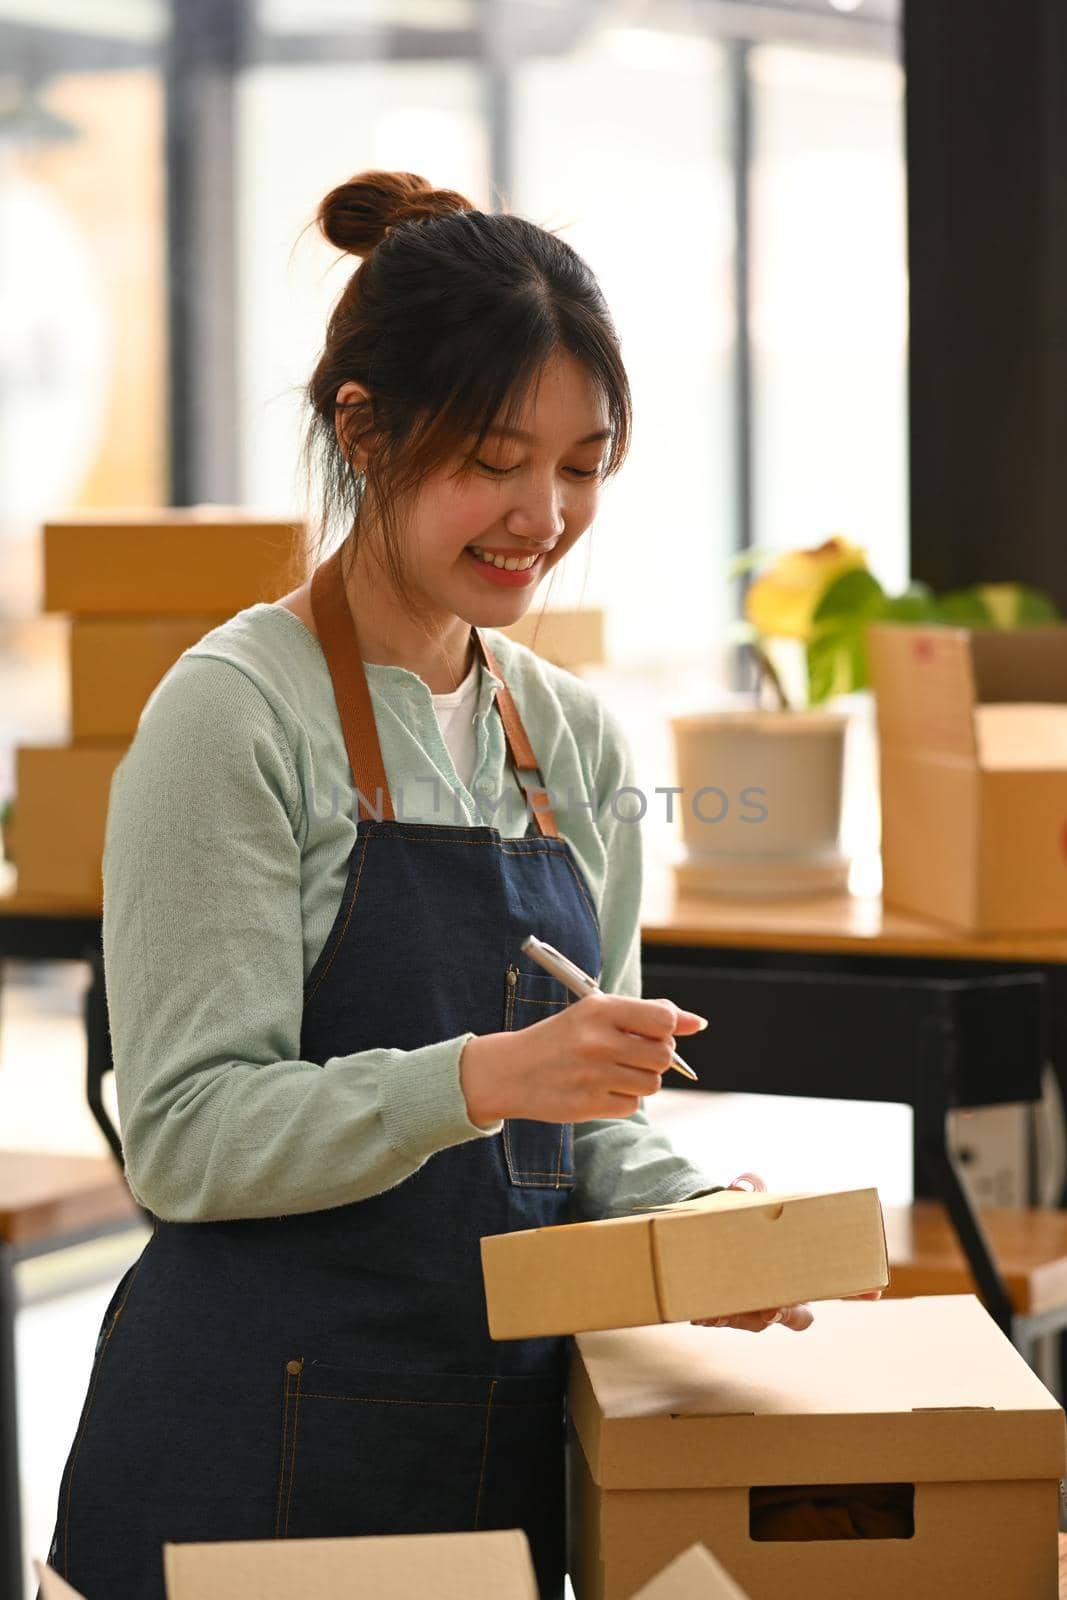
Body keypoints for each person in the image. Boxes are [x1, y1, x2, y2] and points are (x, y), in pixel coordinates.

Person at [43, 170, 813, 1600]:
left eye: (582, 466)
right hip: (243, 1475)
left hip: (487, 1458)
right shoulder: (233, 719)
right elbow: (187, 1138)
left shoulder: (574, 737)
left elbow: (582, 1132)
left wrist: (700, 1222)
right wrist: (477, 1077)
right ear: (364, 429)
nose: (544, 512)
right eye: (494, 459)